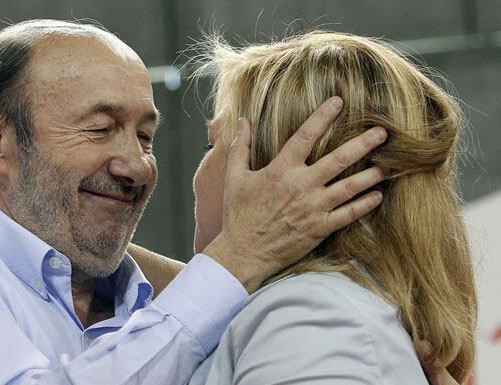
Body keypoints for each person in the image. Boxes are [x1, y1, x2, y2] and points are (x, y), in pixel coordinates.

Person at [0, 19, 422, 384]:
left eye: (145, 135)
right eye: (99, 128)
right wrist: (236, 259)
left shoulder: (214, 304)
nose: (137, 165)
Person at [185, 31, 477, 385]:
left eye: (211, 144)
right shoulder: (331, 310)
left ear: (279, 178)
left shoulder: (306, 317)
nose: (198, 172)